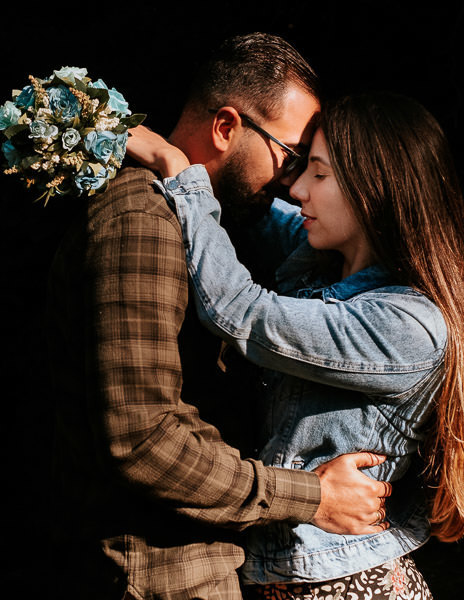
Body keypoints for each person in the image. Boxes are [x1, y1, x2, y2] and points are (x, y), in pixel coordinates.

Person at [45, 34, 393, 600]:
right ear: (227, 127)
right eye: (289, 156)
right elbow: (143, 438)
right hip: (161, 571)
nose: (291, 181)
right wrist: (312, 497)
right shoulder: (143, 221)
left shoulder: (209, 221)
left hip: (200, 558)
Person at [124, 90, 464, 599]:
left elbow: (240, 311)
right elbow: (246, 202)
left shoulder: (407, 323)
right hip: (296, 580)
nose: (297, 189)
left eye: (318, 174)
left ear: (374, 190)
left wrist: (177, 167)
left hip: (346, 586)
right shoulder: (323, 260)